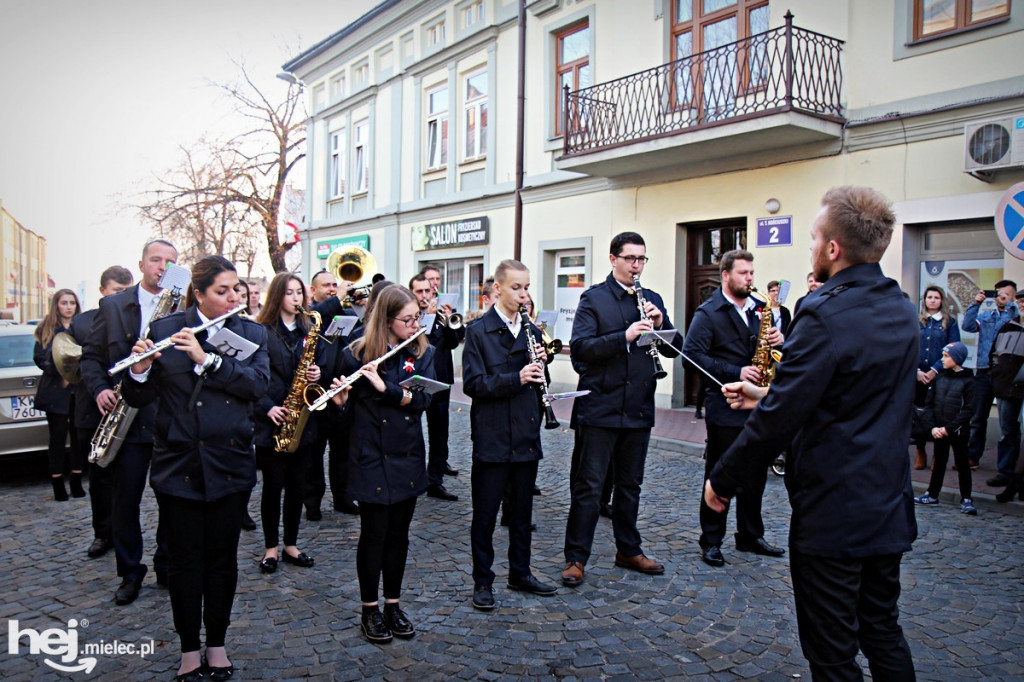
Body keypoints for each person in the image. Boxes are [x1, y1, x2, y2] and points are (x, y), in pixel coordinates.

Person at [704, 186, 917, 680]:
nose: (811, 248)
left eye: (815, 238)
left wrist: (722, 480)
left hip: (834, 513)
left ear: (834, 249)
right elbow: (847, 394)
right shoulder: (902, 310)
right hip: (887, 503)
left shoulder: (823, 313)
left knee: (832, 653)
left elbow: (781, 419)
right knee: (883, 630)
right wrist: (761, 395)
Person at [122, 255, 269, 682]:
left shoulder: (252, 332)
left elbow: (257, 386)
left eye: (236, 290)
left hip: (230, 463)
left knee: (222, 561)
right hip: (178, 466)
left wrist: (208, 360)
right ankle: (189, 649)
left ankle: (218, 645)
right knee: (185, 562)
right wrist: (140, 371)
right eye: (221, 291)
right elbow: (136, 399)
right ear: (199, 294)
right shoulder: (166, 330)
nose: (232, 298)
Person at [561, 231, 675, 588]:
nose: (636, 266)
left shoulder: (652, 299)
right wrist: (623, 337)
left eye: (642, 259)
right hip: (600, 406)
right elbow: (580, 348)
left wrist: (660, 327)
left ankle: (628, 549)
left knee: (630, 485)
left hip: (638, 407)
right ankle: (576, 557)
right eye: (630, 259)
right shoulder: (594, 299)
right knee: (590, 486)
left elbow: (675, 349)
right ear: (613, 259)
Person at [332, 285, 435, 643]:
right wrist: (342, 402)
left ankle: (393, 604)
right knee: (373, 535)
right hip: (370, 455)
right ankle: (369, 608)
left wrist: (387, 389)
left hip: (406, 453)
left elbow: (423, 402)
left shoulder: (424, 352)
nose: (413, 324)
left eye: (416, 317)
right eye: (407, 319)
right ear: (386, 320)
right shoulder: (355, 354)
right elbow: (342, 426)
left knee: (399, 536)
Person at [80, 238, 178, 605]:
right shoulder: (113, 305)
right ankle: (130, 572)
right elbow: (90, 358)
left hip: (168, 419)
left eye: (170, 261)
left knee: (172, 498)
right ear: (141, 264)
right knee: (125, 502)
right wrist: (99, 389)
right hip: (127, 419)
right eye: (156, 260)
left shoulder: (183, 309)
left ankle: (167, 564)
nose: (162, 267)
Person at [462, 260, 559, 611]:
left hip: (525, 432)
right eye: (517, 288)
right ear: (498, 290)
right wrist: (516, 378)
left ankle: (520, 572)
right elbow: (473, 384)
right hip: (491, 435)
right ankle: (482, 581)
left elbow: (535, 380)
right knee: (485, 516)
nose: (524, 294)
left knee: (522, 515)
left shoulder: (532, 330)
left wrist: (540, 369)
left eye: (527, 287)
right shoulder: (477, 331)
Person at [682, 249, 785, 568]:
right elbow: (690, 356)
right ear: (725, 275)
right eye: (743, 273)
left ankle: (750, 535)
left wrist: (780, 341)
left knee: (756, 473)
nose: (750, 278)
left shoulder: (759, 308)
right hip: (725, 404)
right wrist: (735, 371)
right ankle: (711, 540)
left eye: (752, 273)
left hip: (758, 404)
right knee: (719, 472)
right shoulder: (708, 312)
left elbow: (772, 351)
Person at [254, 273, 323, 574]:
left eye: (299, 293)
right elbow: (251, 378)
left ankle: (291, 545)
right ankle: (270, 548)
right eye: (289, 293)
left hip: (301, 419)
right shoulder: (260, 331)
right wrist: (267, 407)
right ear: (276, 297)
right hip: (272, 420)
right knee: (272, 487)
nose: (296, 299)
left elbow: (315, 365)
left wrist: (316, 374)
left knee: (297, 486)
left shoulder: (309, 330)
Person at [69, 266, 133, 556]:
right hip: (97, 406)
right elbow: (81, 361)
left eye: (126, 291)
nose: (123, 296)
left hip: (129, 407)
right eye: (117, 291)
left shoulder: (134, 316)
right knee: (100, 477)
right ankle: (102, 533)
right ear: (102, 292)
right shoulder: (81, 323)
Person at [961, 279, 1017, 472]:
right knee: (977, 418)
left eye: (1007, 294)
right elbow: (967, 326)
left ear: (1014, 297)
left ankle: (1006, 467)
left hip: (1006, 375)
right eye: (999, 293)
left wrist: (1010, 304)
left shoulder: (1016, 316)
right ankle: (972, 457)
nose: (1001, 297)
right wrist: (975, 304)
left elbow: (1018, 320)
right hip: (984, 371)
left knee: (1007, 423)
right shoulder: (986, 316)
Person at [914, 342, 977, 515]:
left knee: (962, 463)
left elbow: (968, 410)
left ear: (957, 359)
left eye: (946, 356)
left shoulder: (969, 381)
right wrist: (933, 427)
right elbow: (929, 404)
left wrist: (949, 428)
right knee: (939, 461)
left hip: (957, 431)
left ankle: (966, 498)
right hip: (939, 429)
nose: (942, 359)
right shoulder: (940, 378)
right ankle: (932, 493)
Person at [418, 265, 463, 501]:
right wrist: (428, 316)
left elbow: (455, 342)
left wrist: (447, 319)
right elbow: (421, 344)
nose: (433, 286)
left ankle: (435, 479)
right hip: (419, 379)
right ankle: (414, 477)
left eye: (436, 280)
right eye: (429, 282)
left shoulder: (445, 310)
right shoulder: (413, 313)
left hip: (442, 378)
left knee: (439, 431)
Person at [33, 288, 83, 501]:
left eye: (72, 302)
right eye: (64, 303)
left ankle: (76, 479)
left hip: (78, 391)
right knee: (58, 439)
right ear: (57, 305)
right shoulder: (47, 328)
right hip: (56, 392)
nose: (68, 307)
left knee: (79, 438)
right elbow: (40, 358)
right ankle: (57, 484)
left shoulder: (80, 326)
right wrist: (61, 370)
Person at [914, 285, 961, 470]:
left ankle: (937, 455)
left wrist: (935, 369)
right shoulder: (916, 320)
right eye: (929, 297)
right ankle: (920, 451)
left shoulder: (950, 322)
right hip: (918, 375)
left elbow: (954, 348)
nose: (932, 300)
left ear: (942, 300)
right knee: (919, 414)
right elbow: (909, 346)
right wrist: (916, 370)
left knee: (940, 415)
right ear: (924, 300)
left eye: (936, 297)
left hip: (940, 376)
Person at [984, 293, 1024, 487]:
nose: (1023, 304)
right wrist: (996, 373)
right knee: (1007, 432)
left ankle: (1020, 476)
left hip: (1022, 387)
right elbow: (994, 353)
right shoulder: (1007, 327)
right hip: (1005, 388)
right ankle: (1005, 472)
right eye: (1021, 301)